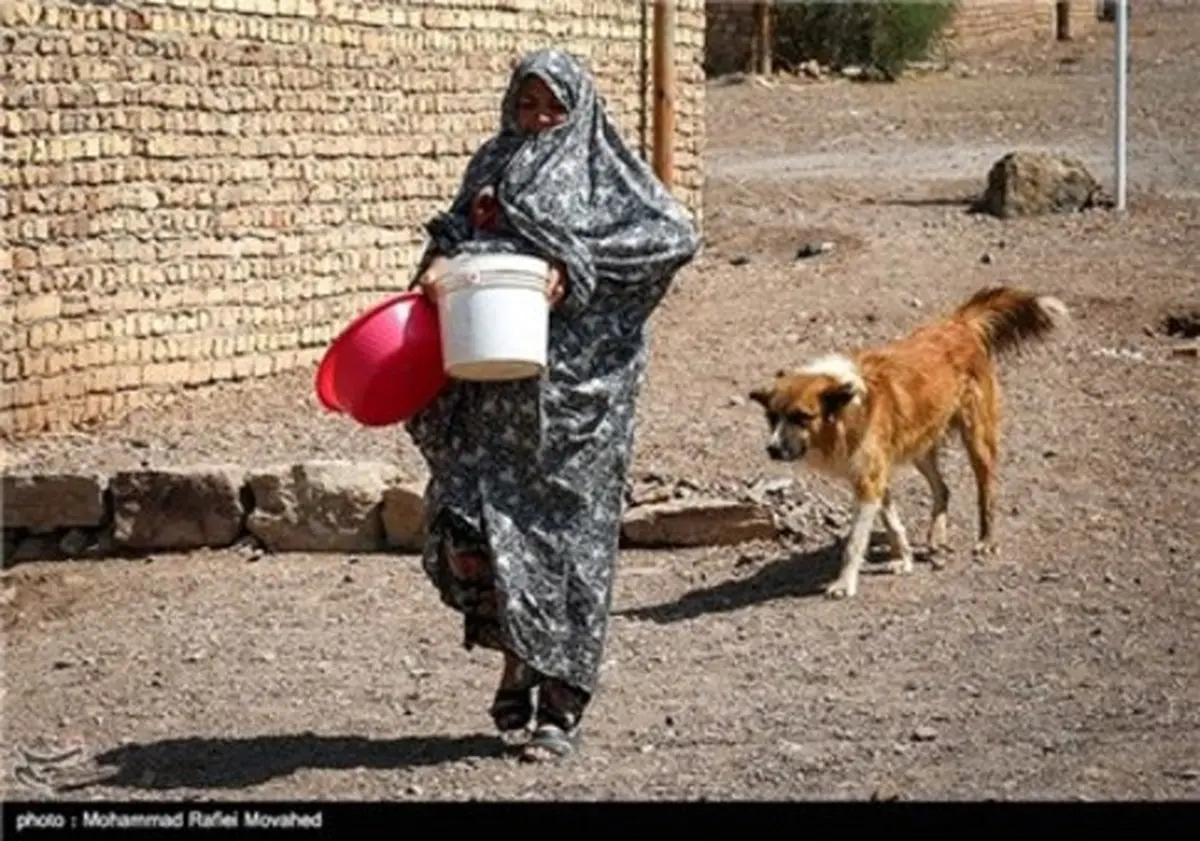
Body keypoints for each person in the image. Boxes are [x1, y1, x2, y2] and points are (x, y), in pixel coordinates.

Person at [404, 48, 701, 762]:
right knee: (473, 527)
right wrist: (438, 264)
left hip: (572, 406)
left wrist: (575, 265)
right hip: (486, 391)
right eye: (526, 104)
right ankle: (515, 661)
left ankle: (559, 706)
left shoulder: (608, 175)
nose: (538, 120)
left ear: (579, 110)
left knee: (564, 545)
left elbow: (676, 237)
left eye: (552, 107)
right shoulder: (491, 163)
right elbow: (453, 235)